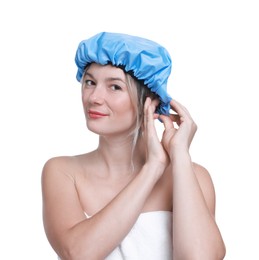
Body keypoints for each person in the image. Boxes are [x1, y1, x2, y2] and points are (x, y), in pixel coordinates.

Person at [41, 32, 226, 260]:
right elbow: (78, 254)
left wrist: (179, 156)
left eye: (115, 87)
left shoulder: (192, 175)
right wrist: (152, 168)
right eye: (90, 82)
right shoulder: (62, 172)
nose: (94, 97)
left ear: (150, 100)